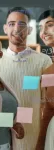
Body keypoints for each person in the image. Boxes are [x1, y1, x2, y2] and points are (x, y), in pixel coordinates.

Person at [0, 7, 53, 150]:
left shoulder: (44, 62)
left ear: (29, 30)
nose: (16, 29)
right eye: (11, 24)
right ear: (5, 28)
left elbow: (49, 104)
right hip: (0, 138)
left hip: (32, 139)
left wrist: (41, 141)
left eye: (22, 25)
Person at [38, 9, 54, 150]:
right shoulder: (48, 71)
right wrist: (39, 145)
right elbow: (48, 109)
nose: (44, 31)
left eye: (49, 25)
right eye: (40, 27)